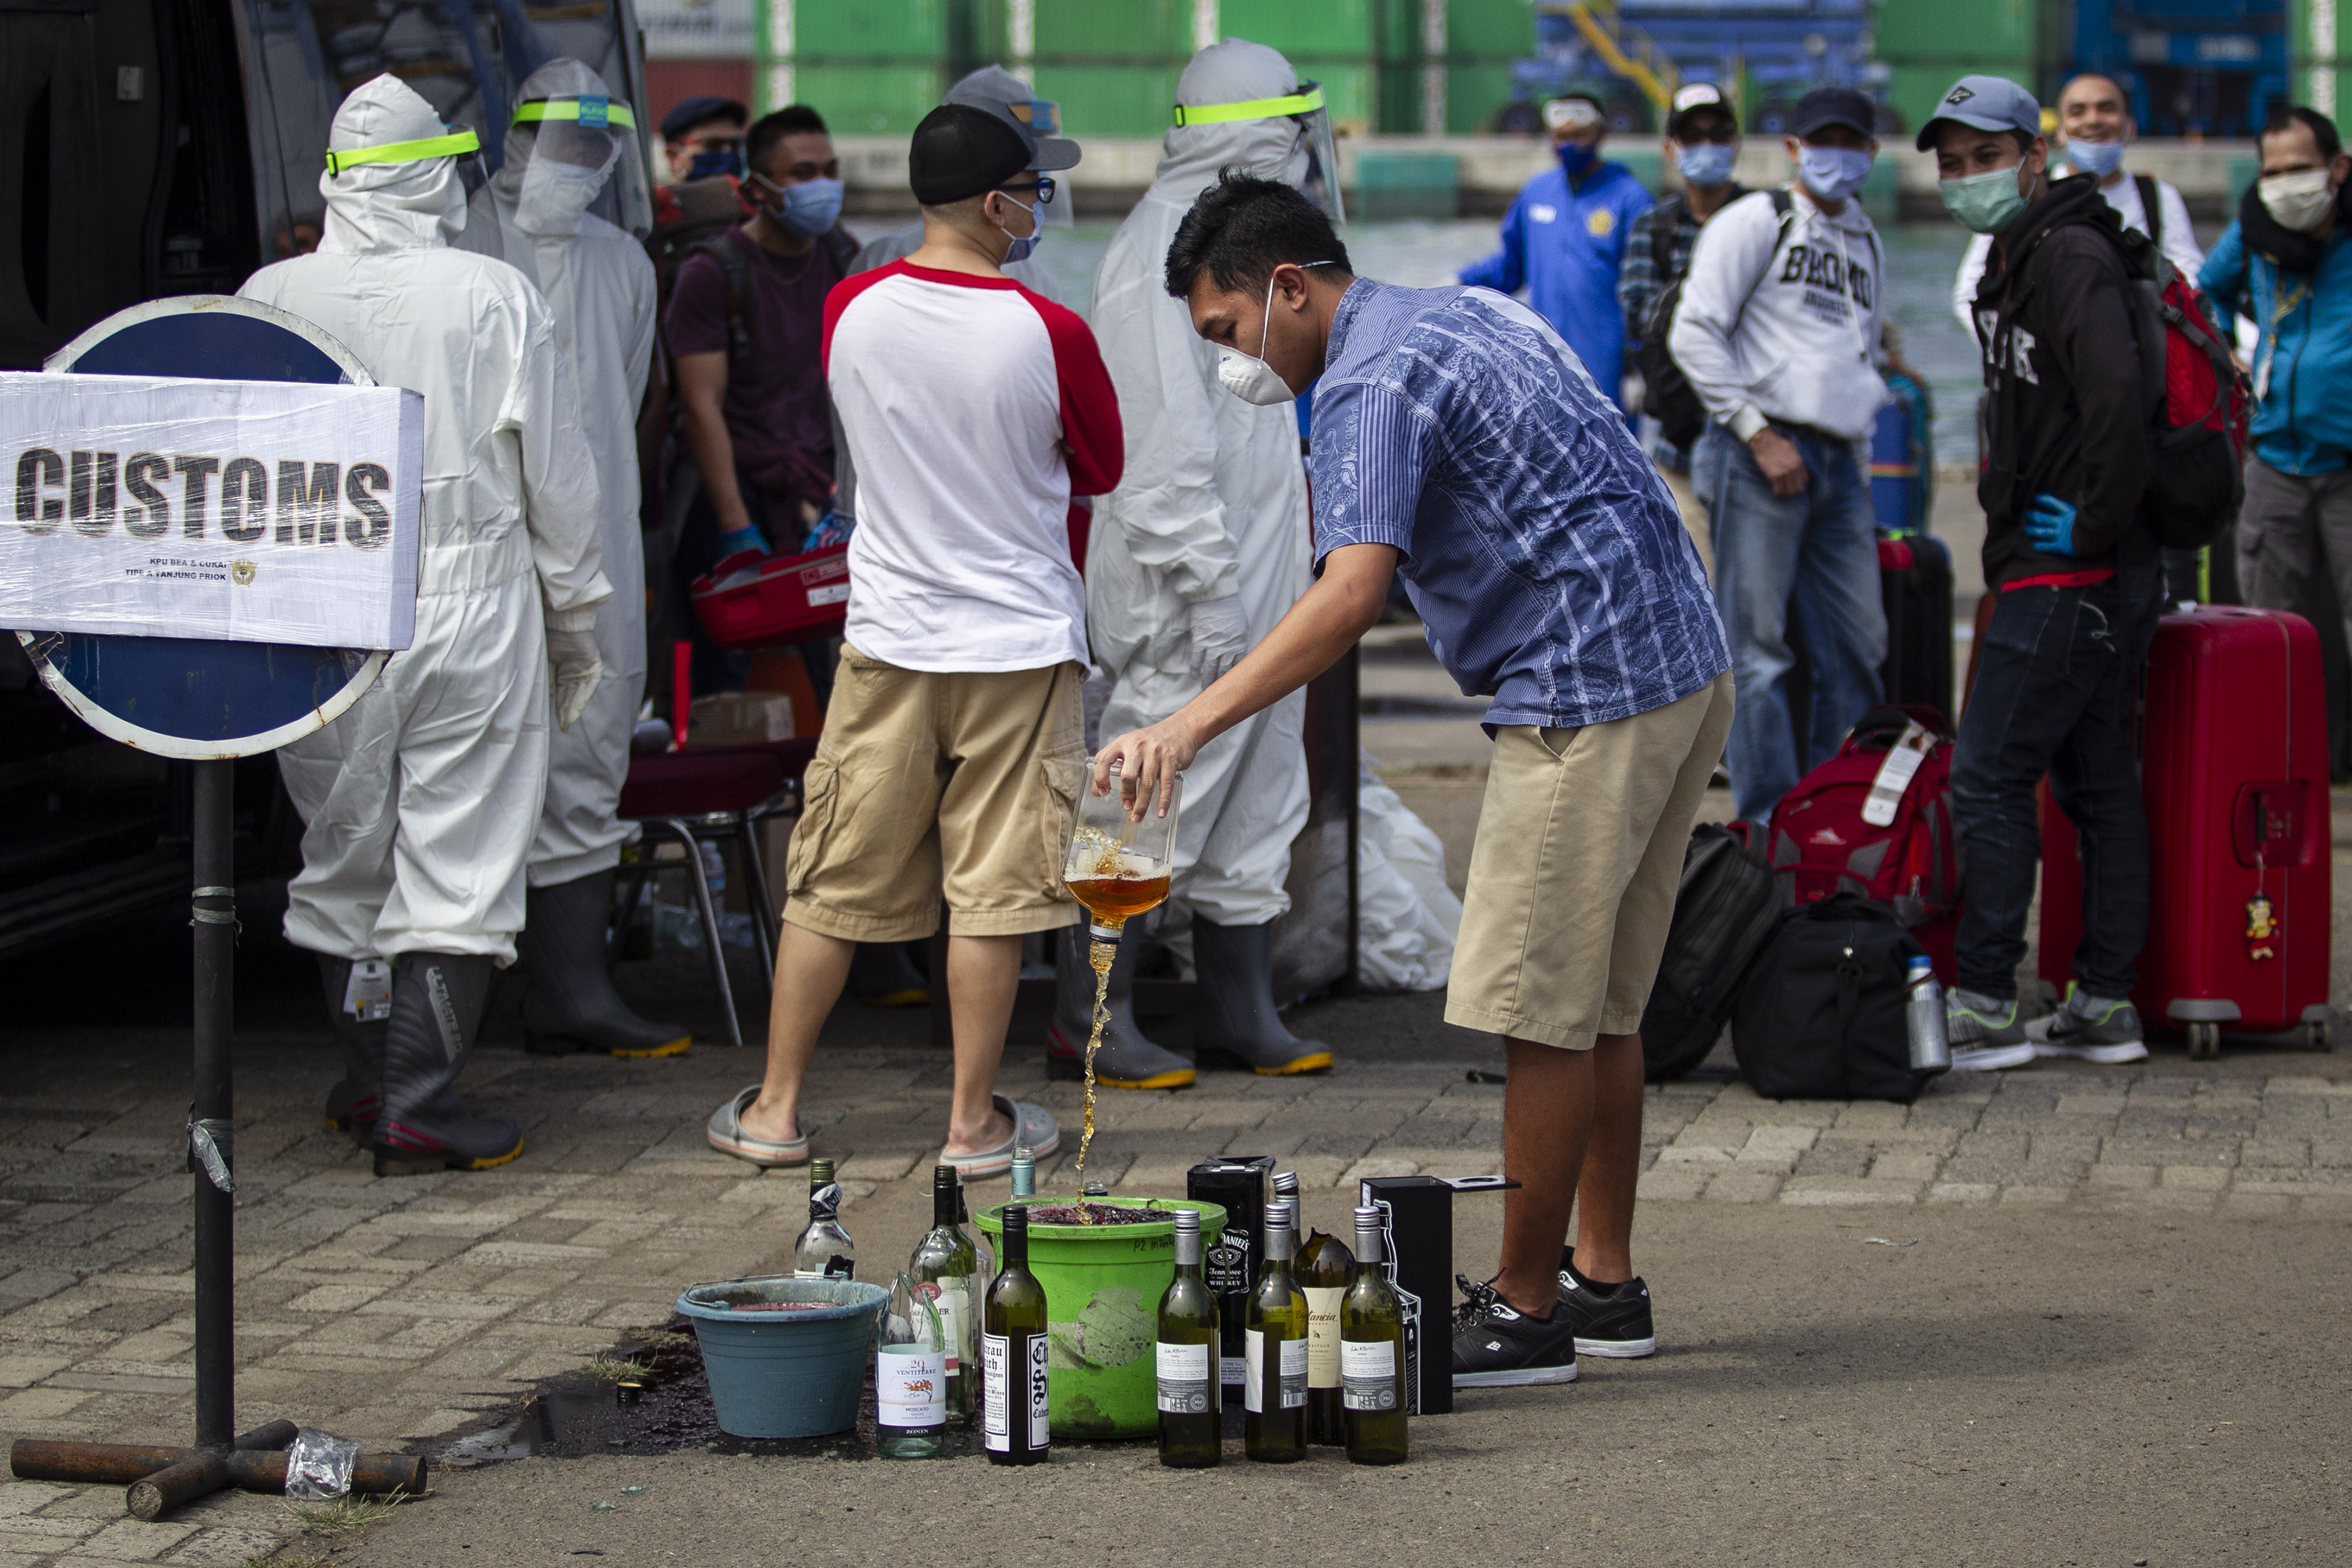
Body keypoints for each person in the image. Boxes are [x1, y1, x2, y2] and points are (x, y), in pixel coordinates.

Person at [1101, 172, 1732, 1387]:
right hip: (1678, 661)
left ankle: (1526, 1304)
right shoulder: (1461, 311)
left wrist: (1182, 725)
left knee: (1534, 1009)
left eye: (1228, 333)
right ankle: (1604, 1282)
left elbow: (1346, 595)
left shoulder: (1365, 382)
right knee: (1600, 1002)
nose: (1235, 365)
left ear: (1286, 288)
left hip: (1586, 688)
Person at [704, 102, 1122, 1176]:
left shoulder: (853, 305)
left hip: (887, 638)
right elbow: (1104, 464)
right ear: (994, 204)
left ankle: (775, 1110)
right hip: (1021, 646)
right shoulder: (1052, 330)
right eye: (1032, 191)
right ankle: (972, 1124)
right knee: (990, 890)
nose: (1039, 208)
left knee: (831, 877)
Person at [240, 74, 612, 1172]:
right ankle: (420, 1097)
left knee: (344, 848)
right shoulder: (490, 292)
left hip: (314, 604)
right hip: (469, 601)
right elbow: (560, 475)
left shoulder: (269, 291)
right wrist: (578, 612)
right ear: (441, 174)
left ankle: (371, 1085)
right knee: (458, 852)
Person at [1074, 38, 1345, 1089]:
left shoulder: (1244, 247)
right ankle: (1091, 1018)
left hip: (1265, 581)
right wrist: (1210, 591)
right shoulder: (1158, 255)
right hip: (1184, 592)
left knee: (1262, 787)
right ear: (1256, 135)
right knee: (1146, 788)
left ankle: (1242, 1012)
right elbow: (1158, 454)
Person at [1923, 75, 2159, 1070]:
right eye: (1953, 164)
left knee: (1987, 777)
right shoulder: (2027, 254)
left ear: (2032, 154)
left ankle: (1985, 998)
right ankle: (2105, 1002)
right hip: (2096, 575)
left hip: (2063, 577)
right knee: (2099, 786)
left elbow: (2116, 390)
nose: (1970, 178)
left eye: (1987, 158)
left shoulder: (2066, 256)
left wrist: (2093, 522)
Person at [456, 60, 687, 1058]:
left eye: (598, 148)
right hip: (484, 554)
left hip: (590, 553)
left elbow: (626, 397)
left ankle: (573, 990)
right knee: (468, 762)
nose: (580, 165)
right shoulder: (462, 244)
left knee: (589, 757)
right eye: (564, 144)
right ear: (518, 141)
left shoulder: (623, 260)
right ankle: (445, 1016)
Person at [1669, 84, 1889, 825]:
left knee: (1861, 643)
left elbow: (1861, 355)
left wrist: (1855, 458)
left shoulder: (1867, 242)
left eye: (1850, 141)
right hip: (1761, 455)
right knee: (1758, 654)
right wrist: (1757, 433)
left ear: (1871, 153)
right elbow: (1693, 331)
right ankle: (1768, 827)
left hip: (1837, 464)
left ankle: (1833, 813)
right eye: (1819, 140)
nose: (1835, 155)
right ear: (1793, 148)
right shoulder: (1752, 220)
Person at [664, 105, 857, 691]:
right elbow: (701, 407)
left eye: (829, 169)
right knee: (728, 677)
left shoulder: (843, 256)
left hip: (818, 496)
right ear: (758, 187)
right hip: (740, 490)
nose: (820, 185)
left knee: (838, 673)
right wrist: (735, 527)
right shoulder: (714, 273)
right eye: (802, 173)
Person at [2201, 106, 2352, 753]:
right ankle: (2278, 763)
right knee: (2270, 629)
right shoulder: (2252, 231)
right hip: (2273, 462)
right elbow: (2200, 293)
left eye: (2300, 169)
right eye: (2273, 171)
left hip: (2347, 462)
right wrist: (2223, 351)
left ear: (2337, 168)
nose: (2286, 183)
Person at [1950, 72, 2203, 336]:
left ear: (2131, 126)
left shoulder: (2160, 199)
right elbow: (1969, 292)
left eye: (2107, 109)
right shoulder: (2023, 195)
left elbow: (2191, 285)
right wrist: (2019, 355)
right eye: (2077, 112)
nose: (2093, 120)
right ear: (2059, 131)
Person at [1618, 79, 1745, 571]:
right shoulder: (1655, 227)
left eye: (1718, 134)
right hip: (1678, 438)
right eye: (1692, 137)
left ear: (1737, 143)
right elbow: (1640, 313)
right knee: (1695, 575)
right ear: (1671, 149)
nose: (1706, 146)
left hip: (1754, 440)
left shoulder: (1765, 218)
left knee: (1757, 594)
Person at [1460, 92, 1656, 409]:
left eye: (1579, 135)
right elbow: (1511, 268)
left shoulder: (1631, 199)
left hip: (1607, 372)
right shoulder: (1536, 192)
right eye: (1561, 136)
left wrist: (1640, 365)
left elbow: (1646, 290)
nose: (1569, 144)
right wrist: (1457, 282)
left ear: (1601, 135)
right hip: (1545, 368)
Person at [660, 95, 748, 184]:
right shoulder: (652, 198)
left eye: (735, 145)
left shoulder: (748, 197)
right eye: (713, 145)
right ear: (673, 156)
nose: (729, 152)